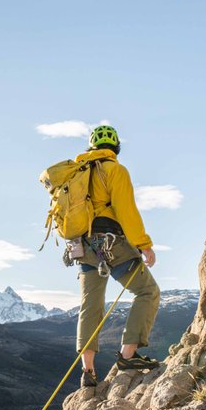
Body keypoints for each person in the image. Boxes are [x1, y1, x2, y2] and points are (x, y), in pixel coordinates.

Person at [73, 124, 161, 387]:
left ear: (91, 146)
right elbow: (126, 210)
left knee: (90, 305)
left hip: (83, 246)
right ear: (116, 147)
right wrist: (144, 244)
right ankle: (128, 356)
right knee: (148, 292)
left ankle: (87, 372)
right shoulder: (115, 170)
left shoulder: (78, 173)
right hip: (112, 244)